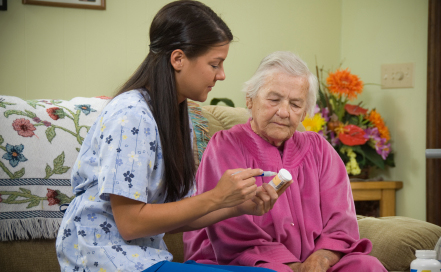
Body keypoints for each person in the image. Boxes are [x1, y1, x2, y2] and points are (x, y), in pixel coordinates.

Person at [55, 1, 290, 272]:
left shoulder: (177, 116)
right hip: (105, 261)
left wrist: (237, 206)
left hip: (144, 259)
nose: (222, 75)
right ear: (178, 59)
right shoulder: (131, 114)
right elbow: (130, 223)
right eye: (215, 64)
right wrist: (216, 196)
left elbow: (174, 216)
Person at [183, 51, 387, 272]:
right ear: (249, 99)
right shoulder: (225, 145)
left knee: (367, 266)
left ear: (304, 112)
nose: (284, 112)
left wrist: (321, 259)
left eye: (295, 104)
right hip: (241, 261)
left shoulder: (320, 150)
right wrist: (293, 267)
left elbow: (341, 224)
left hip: (313, 263)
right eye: (274, 99)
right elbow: (229, 229)